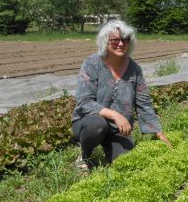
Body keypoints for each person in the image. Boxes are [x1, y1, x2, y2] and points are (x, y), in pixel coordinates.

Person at [71, 19, 172, 172]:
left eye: (125, 39)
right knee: (97, 125)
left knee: (126, 163)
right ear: (105, 41)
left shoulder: (134, 69)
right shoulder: (92, 64)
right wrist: (115, 115)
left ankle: (111, 147)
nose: (121, 44)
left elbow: (143, 103)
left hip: (118, 129)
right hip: (90, 121)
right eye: (115, 40)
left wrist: (158, 132)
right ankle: (84, 155)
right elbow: (84, 101)